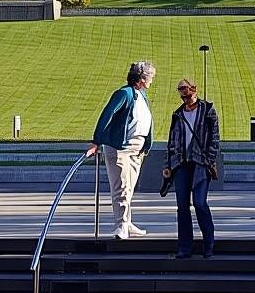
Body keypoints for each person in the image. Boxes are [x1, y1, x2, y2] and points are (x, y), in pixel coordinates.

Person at [91, 61, 156, 240]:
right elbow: (107, 113)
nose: (152, 81)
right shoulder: (124, 93)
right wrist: (96, 141)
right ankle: (120, 226)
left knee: (129, 188)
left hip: (137, 149)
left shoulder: (141, 95)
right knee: (121, 187)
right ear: (142, 79)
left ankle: (127, 221)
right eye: (150, 77)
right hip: (120, 147)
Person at [161, 78, 220, 258]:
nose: (184, 96)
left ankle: (208, 242)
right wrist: (169, 164)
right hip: (181, 164)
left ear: (194, 90)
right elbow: (172, 141)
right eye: (181, 92)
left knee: (200, 203)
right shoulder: (177, 114)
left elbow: (215, 138)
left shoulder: (207, 110)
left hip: (201, 163)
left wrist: (209, 159)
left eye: (186, 91)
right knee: (182, 206)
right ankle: (185, 247)